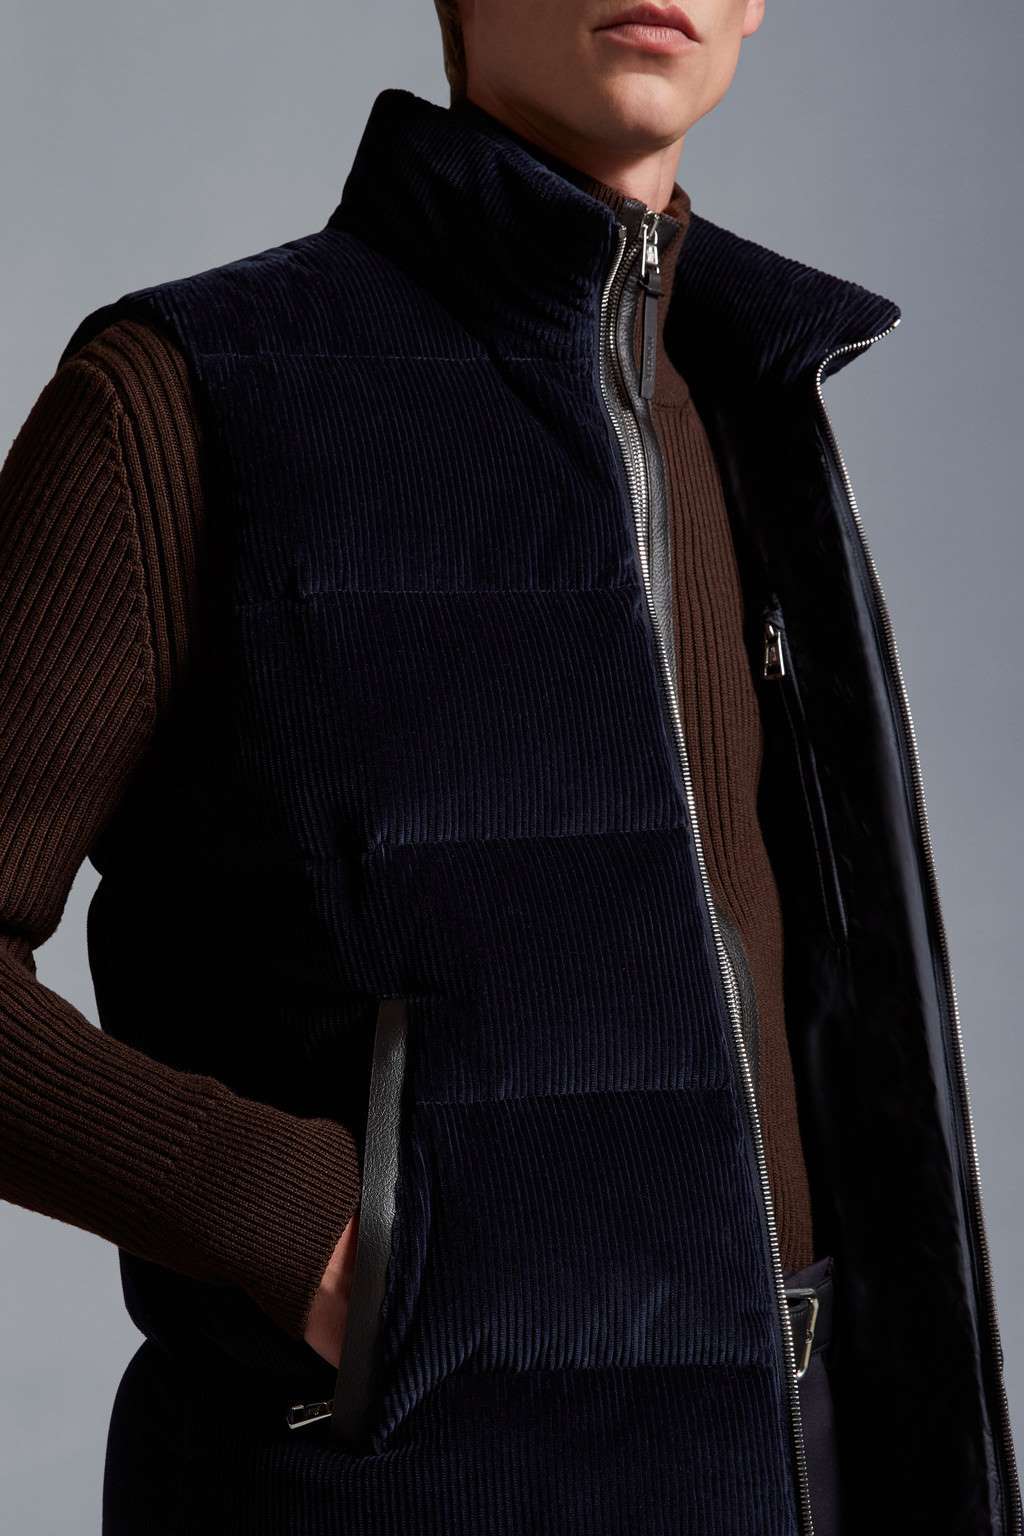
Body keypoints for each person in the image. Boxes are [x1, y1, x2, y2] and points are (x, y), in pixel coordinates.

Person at [0, 1, 1019, 1531]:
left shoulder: (756, 400)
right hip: (405, 1481)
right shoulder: (191, 392)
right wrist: (298, 1227)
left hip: (798, 1469)